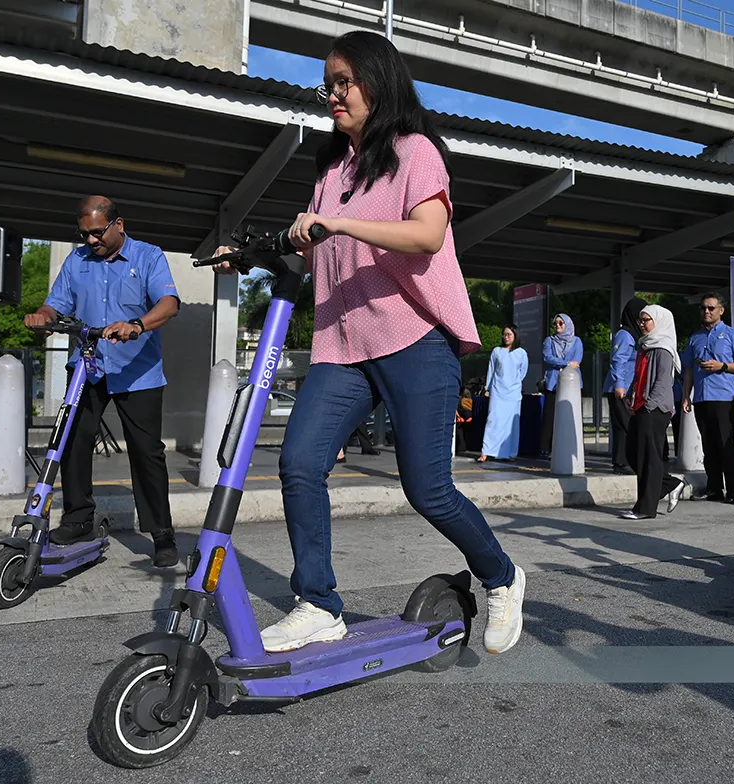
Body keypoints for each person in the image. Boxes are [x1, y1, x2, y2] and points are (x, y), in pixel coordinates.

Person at [213, 31, 524, 653]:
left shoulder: (415, 152)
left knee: (427, 487)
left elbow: (428, 235)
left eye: (344, 82)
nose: (333, 94)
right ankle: (318, 603)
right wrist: (248, 252)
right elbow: (310, 236)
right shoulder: (334, 170)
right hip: (344, 345)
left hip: (413, 337)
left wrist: (340, 223)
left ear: (379, 83)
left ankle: (502, 577)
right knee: (300, 462)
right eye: (327, 83)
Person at [24, 195, 181, 567]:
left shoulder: (148, 256)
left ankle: (162, 535)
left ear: (118, 224)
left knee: (147, 454)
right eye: (84, 235)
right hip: (87, 367)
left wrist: (138, 324)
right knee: (73, 443)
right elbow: (55, 303)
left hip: (137, 371)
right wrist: (44, 316)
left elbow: (169, 304)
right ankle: (78, 520)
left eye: (97, 232)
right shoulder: (77, 261)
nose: (91, 241)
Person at [682, 293, 734, 503]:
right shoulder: (695, 338)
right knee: (708, 445)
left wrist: (722, 366)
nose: (706, 311)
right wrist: (686, 395)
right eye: (703, 308)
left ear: (721, 310)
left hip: (724, 398)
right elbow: (688, 369)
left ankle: (732, 490)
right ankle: (714, 488)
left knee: (725, 444)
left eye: (711, 308)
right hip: (702, 398)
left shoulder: (732, 334)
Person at [620, 304, 686, 520]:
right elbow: (639, 376)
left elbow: (662, 382)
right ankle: (671, 483)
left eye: (646, 320)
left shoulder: (664, 348)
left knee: (649, 456)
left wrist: (648, 405)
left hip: (655, 408)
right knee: (633, 453)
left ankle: (645, 508)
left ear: (659, 321)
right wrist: (631, 395)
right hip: (641, 406)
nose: (641, 324)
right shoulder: (646, 346)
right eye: (640, 320)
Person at [605, 298, 647, 474]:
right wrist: (619, 385)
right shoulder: (625, 334)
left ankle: (623, 462)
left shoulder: (636, 335)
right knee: (625, 425)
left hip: (630, 387)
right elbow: (618, 360)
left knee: (625, 425)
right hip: (620, 388)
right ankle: (623, 462)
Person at [479, 325, 528, 462]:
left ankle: (510, 453)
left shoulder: (521, 353)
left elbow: (522, 372)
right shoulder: (497, 351)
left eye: (509, 334)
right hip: (497, 391)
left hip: (513, 394)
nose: (506, 337)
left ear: (515, 336)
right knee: (492, 420)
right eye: (504, 334)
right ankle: (486, 451)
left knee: (511, 424)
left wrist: (514, 384)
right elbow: (492, 370)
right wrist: (488, 388)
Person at [540, 313, 583, 455]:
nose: (557, 326)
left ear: (567, 325)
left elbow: (577, 361)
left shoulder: (577, 341)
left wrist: (566, 364)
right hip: (553, 383)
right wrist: (565, 363)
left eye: (561, 323)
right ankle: (546, 448)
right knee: (550, 416)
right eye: (555, 323)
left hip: (572, 383)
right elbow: (548, 357)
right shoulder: (549, 341)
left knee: (570, 416)